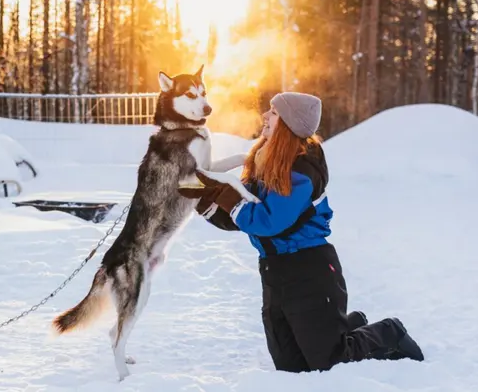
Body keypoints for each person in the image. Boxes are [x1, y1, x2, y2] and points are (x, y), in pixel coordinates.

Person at [178, 92, 424, 373]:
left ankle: (389, 332)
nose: (265, 117)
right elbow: (240, 218)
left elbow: (267, 221)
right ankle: (346, 325)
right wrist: (201, 197)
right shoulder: (266, 162)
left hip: (309, 273)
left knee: (330, 361)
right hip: (274, 274)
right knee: (292, 368)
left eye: (273, 112)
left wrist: (225, 194)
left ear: (288, 124)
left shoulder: (301, 171)